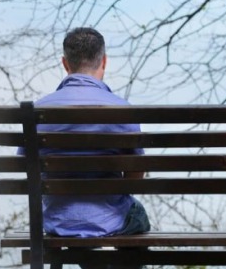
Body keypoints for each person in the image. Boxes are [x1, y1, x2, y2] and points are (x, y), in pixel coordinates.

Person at [19, 27, 150, 269]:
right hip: (110, 219)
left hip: (57, 220)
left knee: (80, 222)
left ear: (65, 63)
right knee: (135, 214)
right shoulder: (122, 109)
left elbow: (27, 167)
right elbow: (135, 175)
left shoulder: (38, 112)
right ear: (105, 61)